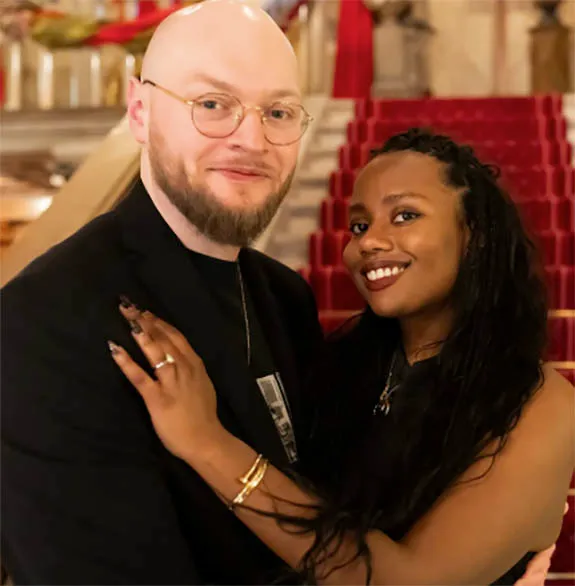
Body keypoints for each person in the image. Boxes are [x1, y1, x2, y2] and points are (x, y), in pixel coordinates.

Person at [111, 128, 575, 585]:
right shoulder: (340, 369)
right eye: (359, 225)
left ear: (475, 235)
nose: (368, 242)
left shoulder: (540, 405)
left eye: (405, 215)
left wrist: (207, 443)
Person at [1, 2, 323, 583]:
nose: (252, 139)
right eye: (213, 104)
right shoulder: (47, 318)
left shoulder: (287, 298)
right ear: (140, 112)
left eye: (278, 112)